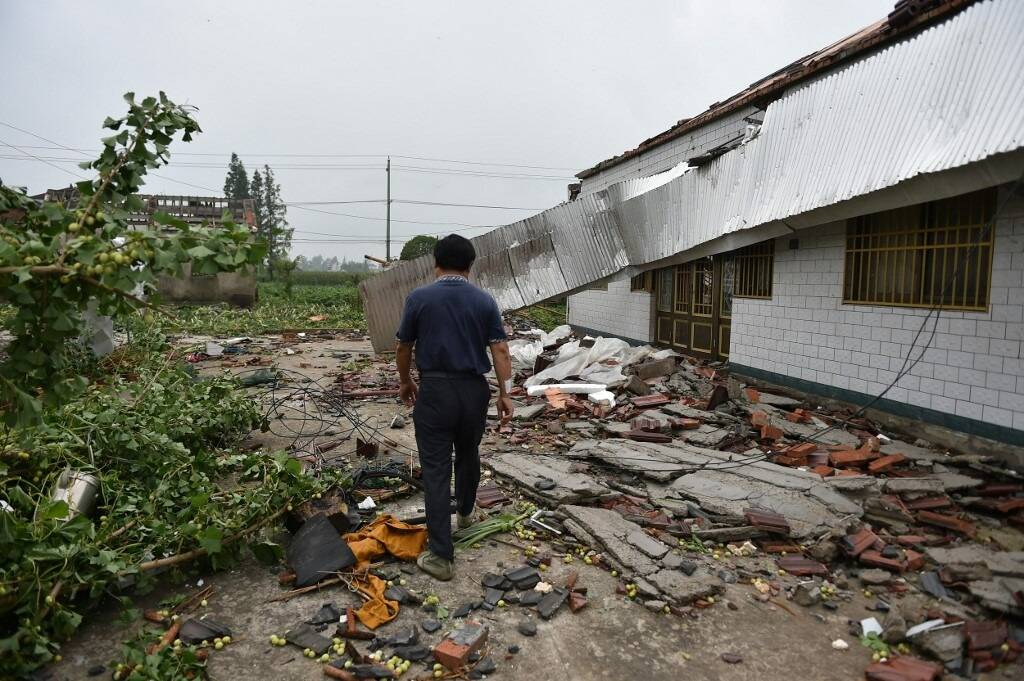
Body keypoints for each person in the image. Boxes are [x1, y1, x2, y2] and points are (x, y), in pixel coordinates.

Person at [395, 234, 513, 580]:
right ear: (470, 266)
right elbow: (501, 351)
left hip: (434, 390)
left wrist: (405, 381)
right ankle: (464, 514)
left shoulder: (419, 298)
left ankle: (441, 558)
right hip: (473, 391)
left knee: (435, 470)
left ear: (436, 263)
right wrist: (506, 394)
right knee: (468, 453)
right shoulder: (484, 301)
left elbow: (404, 347)